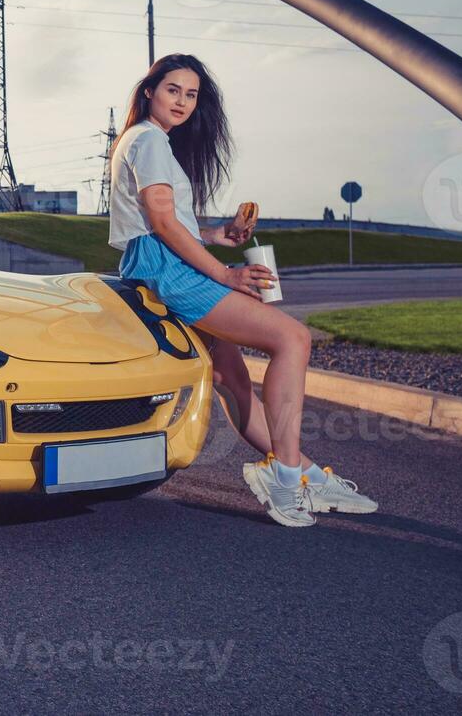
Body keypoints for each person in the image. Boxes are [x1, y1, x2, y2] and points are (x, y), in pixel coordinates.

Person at [107, 53, 377, 527]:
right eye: (173, 90)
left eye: (192, 94)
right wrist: (224, 273)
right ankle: (287, 475)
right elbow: (162, 223)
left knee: (231, 378)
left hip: (160, 260)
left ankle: (305, 474)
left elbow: (169, 225)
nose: (183, 101)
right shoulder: (148, 141)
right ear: (149, 90)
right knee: (292, 338)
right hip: (166, 268)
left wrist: (218, 236)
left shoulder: (148, 141)